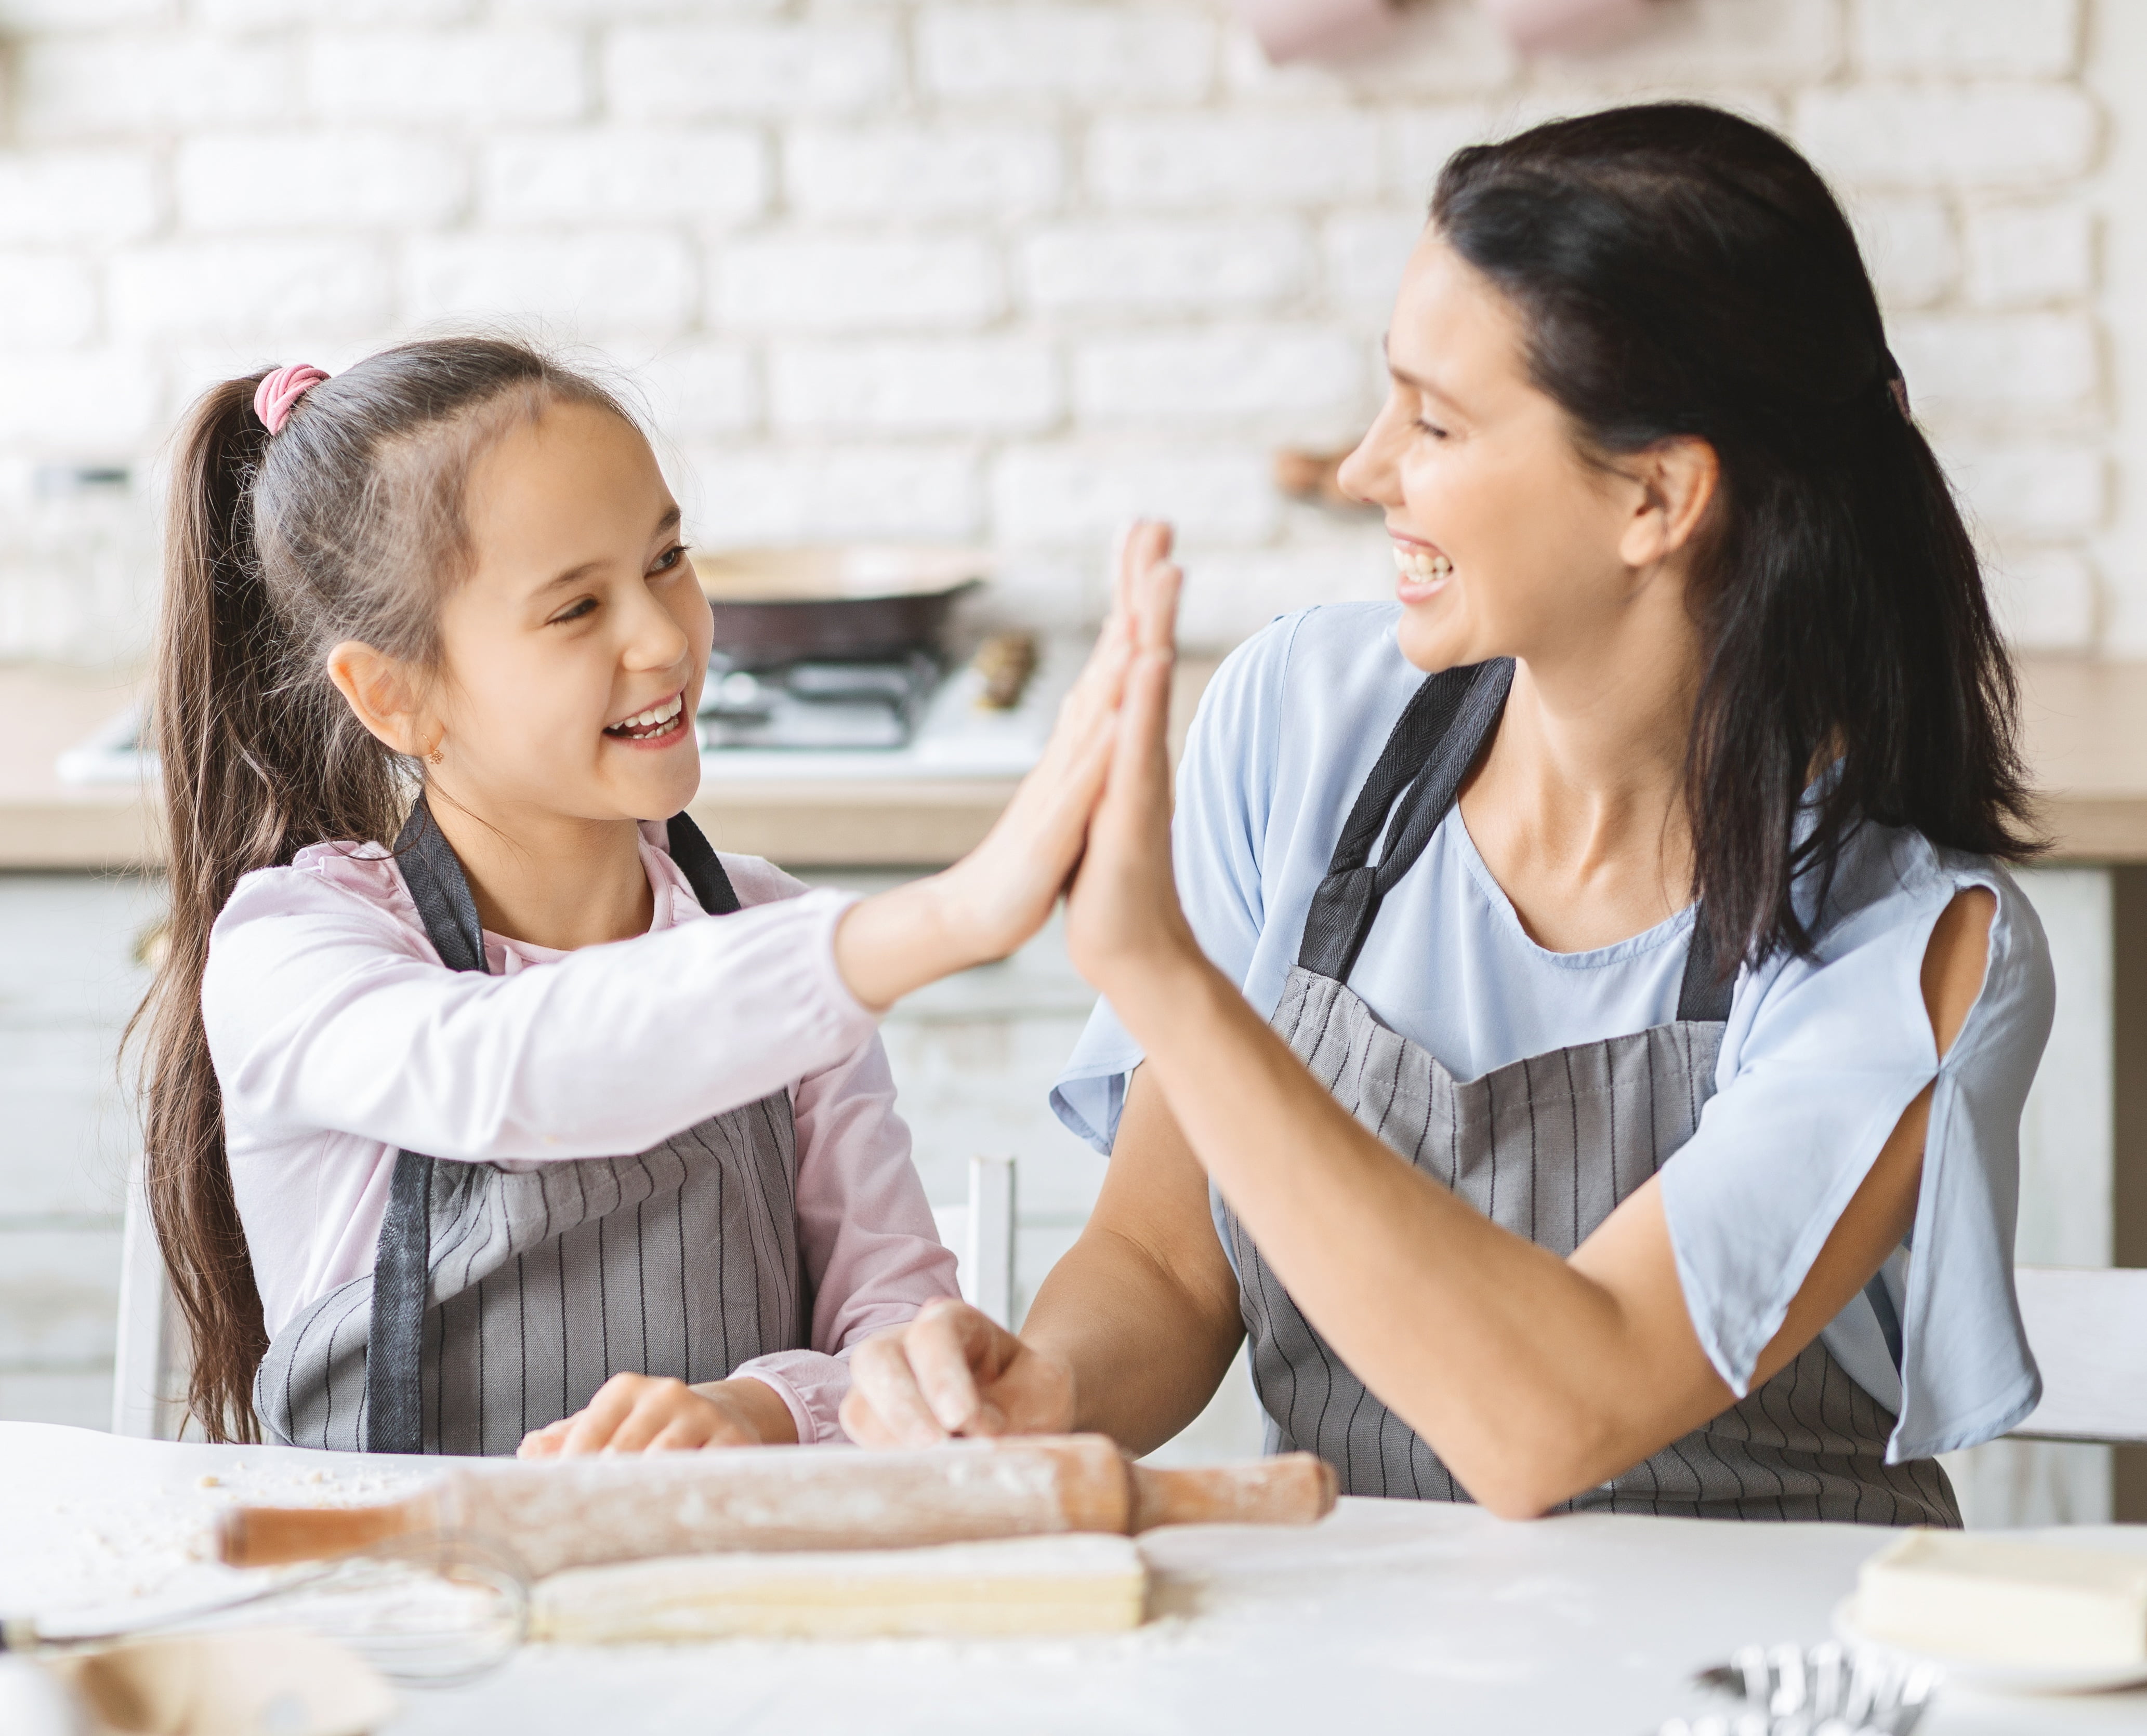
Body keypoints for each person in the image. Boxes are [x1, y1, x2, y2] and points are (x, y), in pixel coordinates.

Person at [839, 103, 2056, 1524]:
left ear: (1653, 495)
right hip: (1371, 1649)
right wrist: (1041, 1385)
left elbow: (1553, 1415)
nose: (1363, 470)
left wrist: (1161, 973)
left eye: (1432, 420)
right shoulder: (1300, 722)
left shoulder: (1913, 946)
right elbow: (1168, 1262)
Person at [135, 338, 1166, 1454]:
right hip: (394, 1609)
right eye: (577, 609)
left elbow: (899, 1327)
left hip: (729, 1592)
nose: (664, 637)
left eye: (666, 559)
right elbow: (519, 1068)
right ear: (397, 696)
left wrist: (763, 1409)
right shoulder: (300, 954)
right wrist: (942, 920)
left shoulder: (765, 930)